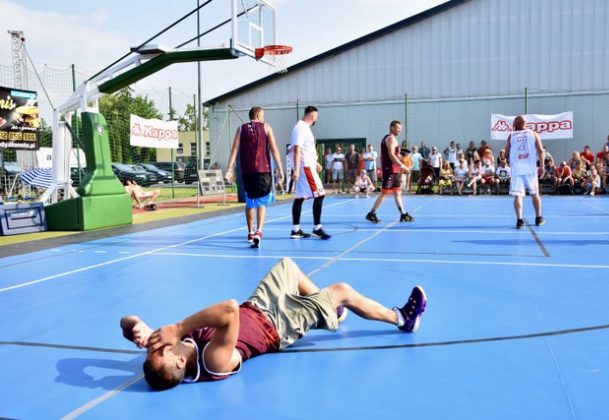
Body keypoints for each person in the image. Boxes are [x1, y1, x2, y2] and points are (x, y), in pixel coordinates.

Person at [120, 257, 428, 390]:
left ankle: (327, 312)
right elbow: (228, 310)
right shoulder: (212, 362)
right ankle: (402, 318)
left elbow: (127, 320)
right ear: (176, 359)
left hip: (258, 305)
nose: (156, 344)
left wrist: (136, 328)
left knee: (288, 267)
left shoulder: (174, 351)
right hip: (278, 325)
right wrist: (176, 326)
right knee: (343, 290)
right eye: (158, 349)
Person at [225, 106, 284, 248]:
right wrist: (280, 169)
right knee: (261, 202)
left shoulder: (240, 129)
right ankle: (259, 231)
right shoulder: (267, 127)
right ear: (257, 116)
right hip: (263, 170)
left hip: (247, 171)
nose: (264, 118)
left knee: (250, 202)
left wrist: (229, 169)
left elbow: (234, 149)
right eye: (262, 115)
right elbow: (274, 149)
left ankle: (250, 232)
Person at [290, 106, 331, 239]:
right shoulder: (300, 128)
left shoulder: (304, 129)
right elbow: (297, 149)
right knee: (320, 194)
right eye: (316, 117)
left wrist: (316, 163)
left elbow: (305, 150)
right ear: (312, 116)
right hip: (305, 167)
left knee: (300, 197)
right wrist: (296, 170)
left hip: (308, 165)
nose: (316, 120)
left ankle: (296, 230)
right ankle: (317, 228)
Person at [365, 121, 414, 223]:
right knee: (385, 192)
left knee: (397, 192)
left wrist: (403, 157)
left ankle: (403, 214)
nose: (399, 130)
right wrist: (402, 166)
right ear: (392, 128)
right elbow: (391, 155)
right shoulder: (391, 139)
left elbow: (393, 155)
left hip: (393, 170)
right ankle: (371, 213)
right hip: (390, 170)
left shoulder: (389, 138)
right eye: (397, 128)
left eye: (400, 128)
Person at [505, 115, 545, 229]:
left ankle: (520, 220)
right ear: (525, 124)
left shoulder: (511, 136)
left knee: (518, 195)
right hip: (530, 167)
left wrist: (512, 158)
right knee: (534, 193)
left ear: (515, 125)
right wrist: (541, 165)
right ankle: (538, 218)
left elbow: (506, 154)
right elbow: (541, 150)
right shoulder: (533, 134)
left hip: (517, 168)